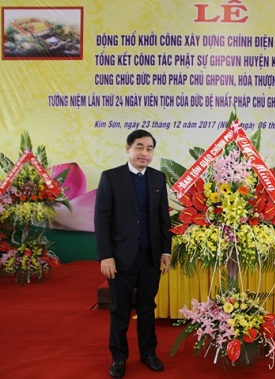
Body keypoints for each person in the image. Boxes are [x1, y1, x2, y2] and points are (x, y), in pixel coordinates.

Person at [94, 130, 172, 378]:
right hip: (120, 258)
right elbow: (102, 219)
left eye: (149, 148)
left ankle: (148, 353)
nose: (144, 153)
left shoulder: (158, 179)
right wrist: (106, 256)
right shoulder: (111, 178)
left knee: (147, 307)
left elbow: (163, 220)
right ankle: (119, 357)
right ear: (127, 149)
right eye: (139, 147)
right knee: (119, 309)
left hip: (150, 257)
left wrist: (165, 251)